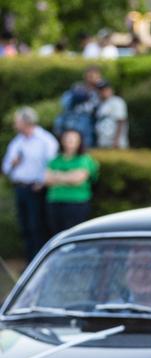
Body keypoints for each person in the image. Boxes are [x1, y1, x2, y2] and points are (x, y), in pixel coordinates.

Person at [1, 106, 58, 261]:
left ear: (26, 122)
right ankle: (29, 262)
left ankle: (40, 262)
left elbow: (51, 164)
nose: (14, 125)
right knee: (25, 228)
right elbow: (5, 167)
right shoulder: (17, 141)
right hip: (20, 188)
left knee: (37, 227)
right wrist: (13, 164)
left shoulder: (45, 140)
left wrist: (41, 182)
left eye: (17, 121)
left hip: (36, 189)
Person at [44, 128, 99, 235]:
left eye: (73, 140)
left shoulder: (84, 159)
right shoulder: (55, 159)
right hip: (55, 203)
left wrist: (57, 176)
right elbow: (47, 180)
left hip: (76, 204)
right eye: (67, 139)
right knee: (56, 234)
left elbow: (78, 179)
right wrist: (68, 177)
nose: (70, 142)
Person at [56, 66, 102, 148]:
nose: (92, 79)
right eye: (90, 76)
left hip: (88, 129)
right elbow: (64, 104)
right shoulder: (77, 88)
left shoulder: (100, 91)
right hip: (71, 124)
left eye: (95, 77)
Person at [95, 80, 129, 149]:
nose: (103, 92)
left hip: (115, 143)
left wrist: (116, 141)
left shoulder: (117, 101)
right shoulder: (100, 104)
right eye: (101, 90)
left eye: (105, 89)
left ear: (110, 89)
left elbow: (121, 121)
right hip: (103, 142)